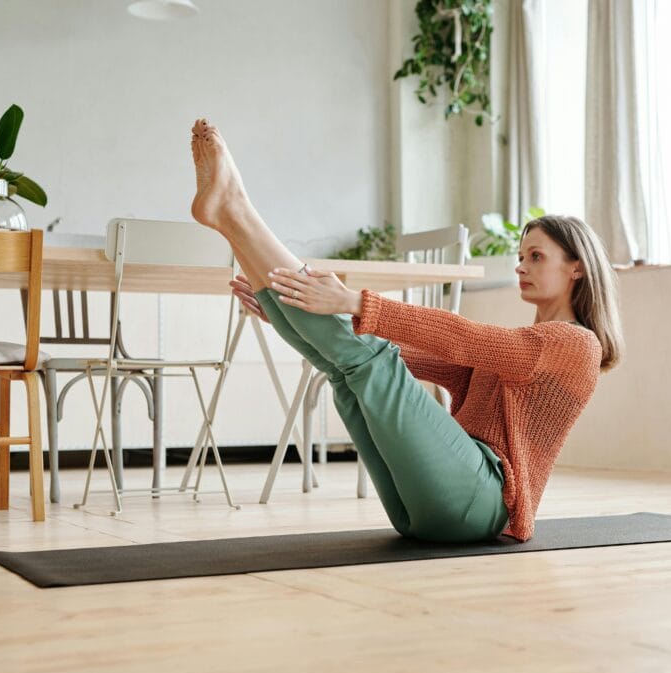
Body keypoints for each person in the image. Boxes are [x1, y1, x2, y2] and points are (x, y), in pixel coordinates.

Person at [189, 118, 624, 542]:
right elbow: (407, 357)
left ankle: (237, 209)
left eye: (536, 257)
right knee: (349, 368)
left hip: (483, 502)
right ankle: (229, 219)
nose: (520, 266)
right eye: (521, 255)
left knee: (367, 358)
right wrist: (285, 312)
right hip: (430, 507)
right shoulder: (532, 346)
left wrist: (356, 303)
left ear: (577, 268)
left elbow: (464, 338)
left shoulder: (576, 344)